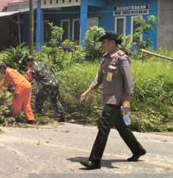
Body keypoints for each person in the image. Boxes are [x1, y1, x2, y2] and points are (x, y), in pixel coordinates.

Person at [79, 31, 146, 170]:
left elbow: (129, 82)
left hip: (115, 100)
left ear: (112, 43)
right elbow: (98, 78)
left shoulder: (122, 59)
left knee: (103, 127)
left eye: (104, 42)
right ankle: (138, 149)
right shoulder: (105, 58)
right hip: (108, 98)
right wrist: (87, 91)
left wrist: (126, 99)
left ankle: (95, 160)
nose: (103, 45)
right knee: (121, 127)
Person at [25, 55, 66, 122]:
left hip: (48, 85)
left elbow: (30, 80)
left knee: (38, 99)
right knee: (55, 100)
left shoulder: (33, 70)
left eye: (27, 62)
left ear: (29, 62)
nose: (27, 64)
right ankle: (62, 116)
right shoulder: (41, 64)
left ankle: (37, 116)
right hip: (55, 83)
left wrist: (28, 74)